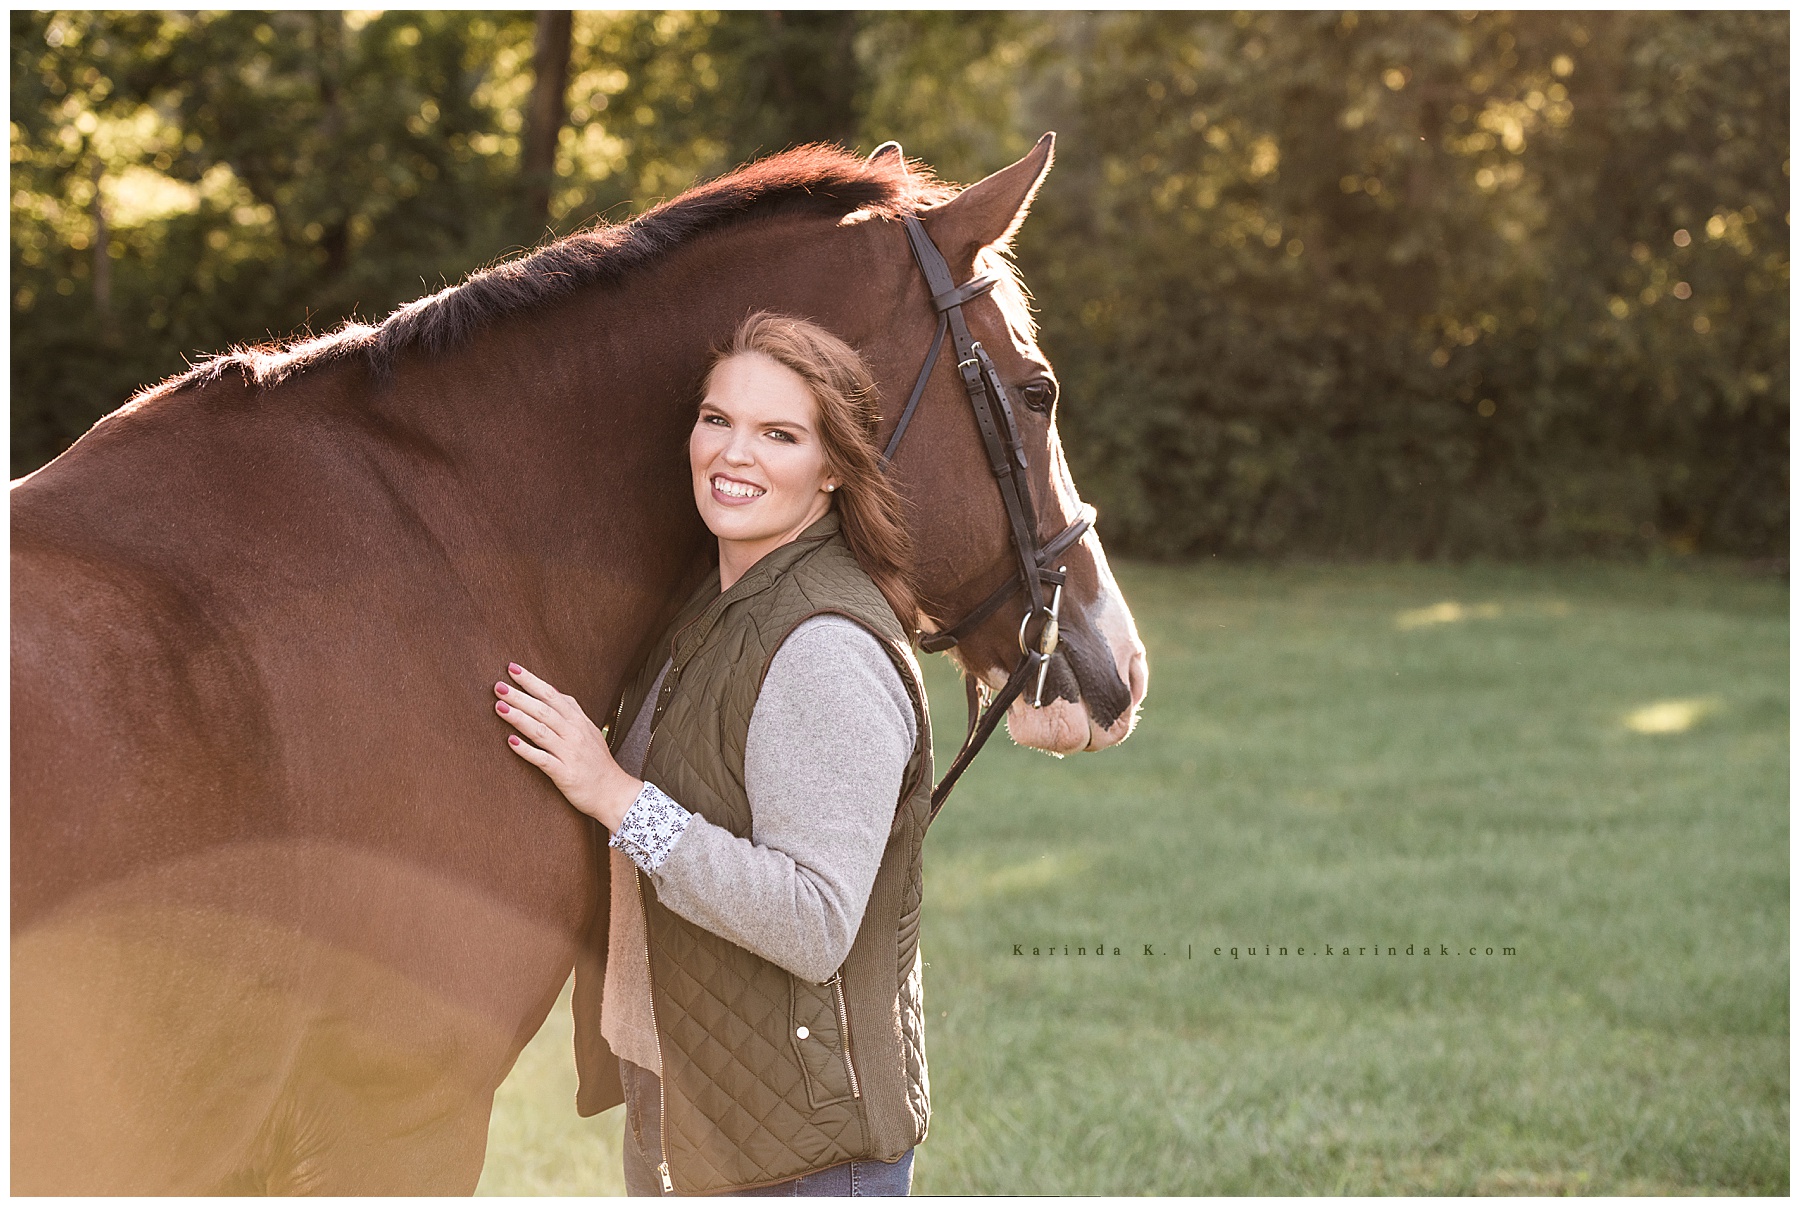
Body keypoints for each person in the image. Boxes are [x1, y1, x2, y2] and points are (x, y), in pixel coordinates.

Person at [492, 312, 933, 1196]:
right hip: (692, 1095)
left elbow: (813, 922)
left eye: (779, 434)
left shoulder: (824, 646)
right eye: (717, 418)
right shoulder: (715, 600)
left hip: (803, 1147)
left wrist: (615, 795)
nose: (734, 454)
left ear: (834, 467)